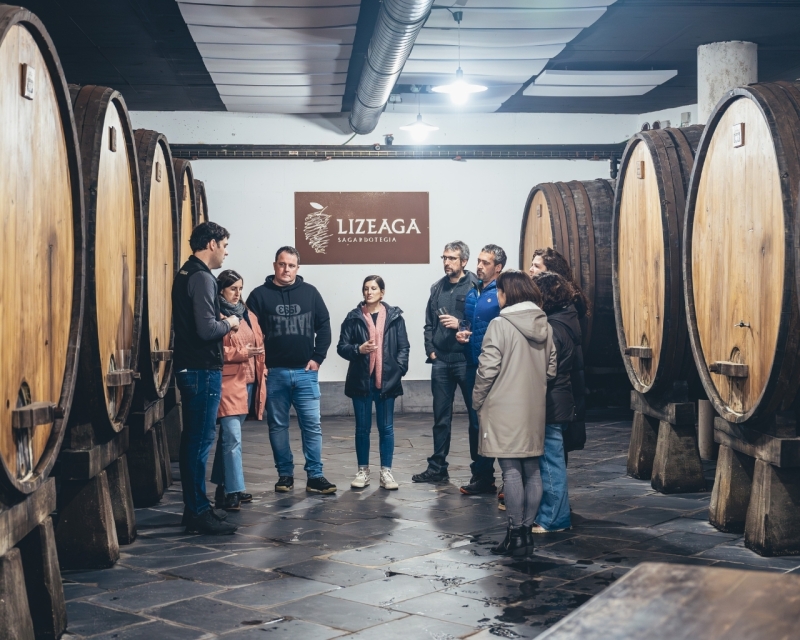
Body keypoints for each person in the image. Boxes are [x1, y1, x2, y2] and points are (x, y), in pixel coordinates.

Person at [473, 271, 556, 557]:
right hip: (533, 406)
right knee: (532, 471)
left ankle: (515, 533)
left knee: (510, 470)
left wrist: (477, 399)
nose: (497, 296)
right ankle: (525, 535)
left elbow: (487, 370)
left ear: (510, 294)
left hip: (503, 406)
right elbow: (552, 368)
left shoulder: (500, 324)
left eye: (499, 292)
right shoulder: (545, 325)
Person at [246, 246, 336, 495]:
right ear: (275, 265)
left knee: (312, 426)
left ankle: (315, 476)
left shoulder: (310, 293)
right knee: (277, 427)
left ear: (298, 267)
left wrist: (318, 358)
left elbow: (324, 326)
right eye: (282, 264)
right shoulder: (259, 296)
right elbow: (250, 334)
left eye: (292, 265)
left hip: (306, 373)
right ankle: (284, 475)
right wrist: (259, 366)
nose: (286, 270)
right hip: (273, 374)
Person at [173, 221, 238, 535]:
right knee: (199, 444)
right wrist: (231, 322)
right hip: (201, 370)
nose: (226, 252)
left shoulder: (188, 272)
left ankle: (194, 507)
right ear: (211, 243)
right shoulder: (202, 277)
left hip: (191, 368)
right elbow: (206, 329)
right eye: (224, 245)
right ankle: (198, 511)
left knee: (193, 442)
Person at [412, 241, 480, 484]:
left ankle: (480, 472)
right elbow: (429, 323)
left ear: (463, 262)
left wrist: (460, 325)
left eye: (452, 258)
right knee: (441, 418)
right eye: (444, 258)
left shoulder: (475, 286)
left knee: (476, 419)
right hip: (441, 361)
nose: (446, 262)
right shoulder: (436, 288)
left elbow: (482, 323)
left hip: (466, 361)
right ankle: (437, 467)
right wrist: (431, 351)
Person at [337, 276, 410, 490]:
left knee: (386, 428)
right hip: (362, 381)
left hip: (387, 381)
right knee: (362, 428)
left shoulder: (395, 317)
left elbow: (404, 347)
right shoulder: (353, 317)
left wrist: (399, 369)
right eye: (366, 288)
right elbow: (342, 347)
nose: (369, 292)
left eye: (374, 288)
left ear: (382, 292)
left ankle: (386, 472)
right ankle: (363, 471)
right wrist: (358, 349)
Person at [212, 269, 266, 511]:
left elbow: (260, 343)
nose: (238, 293)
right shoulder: (216, 315)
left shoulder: (248, 315)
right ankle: (234, 491)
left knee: (228, 439)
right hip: (228, 383)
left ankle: (224, 488)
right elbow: (213, 352)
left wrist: (262, 371)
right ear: (221, 289)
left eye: (240, 288)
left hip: (250, 382)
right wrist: (243, 353)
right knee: (233, 438)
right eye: (233, 288)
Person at [531, 271, 581, 534]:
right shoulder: (567, 320)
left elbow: (546, 369)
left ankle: (554, 519)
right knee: (553, 460)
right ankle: (553, 513)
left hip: (552, 402)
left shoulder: (552, 327)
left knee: (551, 464)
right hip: (560, 399)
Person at [456, 244, 506, 495]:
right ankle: (483, 476)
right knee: (476, 423)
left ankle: (511, 478)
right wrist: (463, 333)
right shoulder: (474, 290)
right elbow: (469, 323)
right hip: (472, 363)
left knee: (498, 423)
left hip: (495, 366)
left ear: (497, 267)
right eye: (478, 261)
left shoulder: (503, 292)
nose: (479, 266)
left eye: (485, 262)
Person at [530, 247, 587, 456]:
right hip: (566, 383)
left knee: (553, 447)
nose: (530, 270)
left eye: (536, 266)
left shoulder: (559, 311)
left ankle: (552, 488)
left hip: (562, 384)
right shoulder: (566, 305)